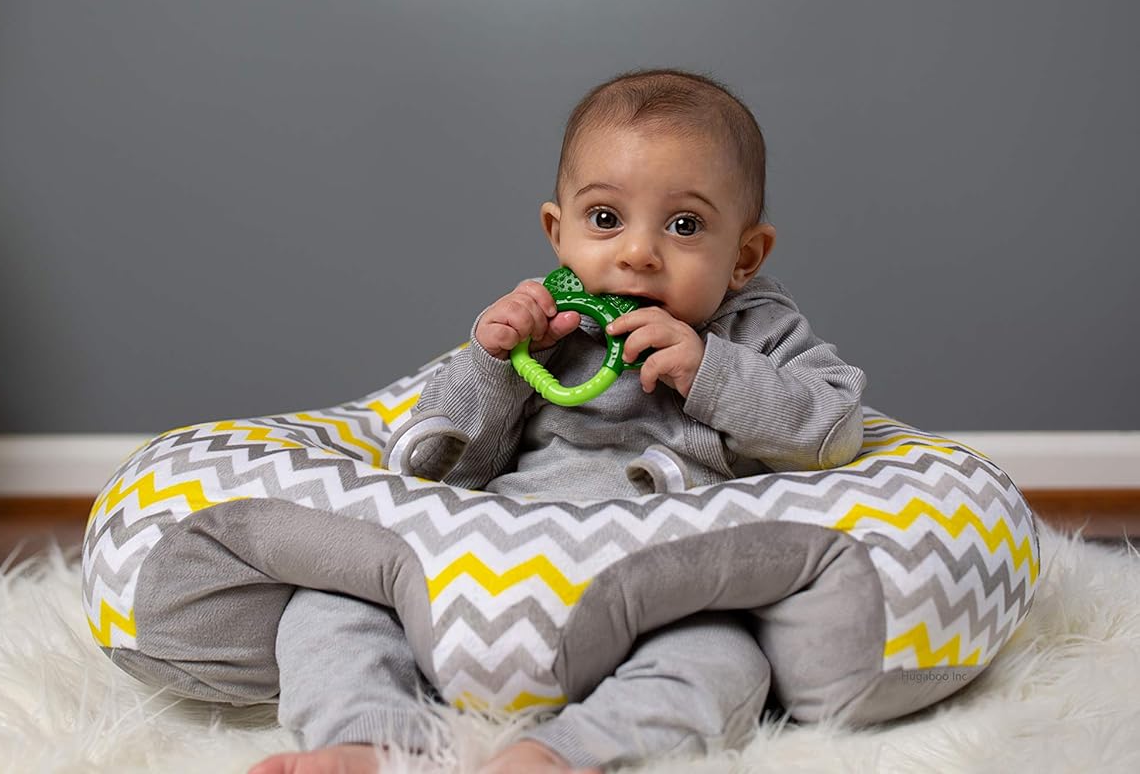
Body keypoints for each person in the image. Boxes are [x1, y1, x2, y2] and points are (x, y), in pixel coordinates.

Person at [250, 69, 868, 774]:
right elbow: (447, 464)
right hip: (499, 559)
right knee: (330, 604)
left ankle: (561, 756)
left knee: (724, 657)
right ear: (558, 230)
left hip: (652, 585)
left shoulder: (757, 330)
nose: (637, 251)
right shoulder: (542, 325)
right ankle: (366, 738)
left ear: (744, 257)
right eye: (605, 219)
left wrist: (713, 372)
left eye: (685, 225)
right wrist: (490, 363)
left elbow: (834, 425)